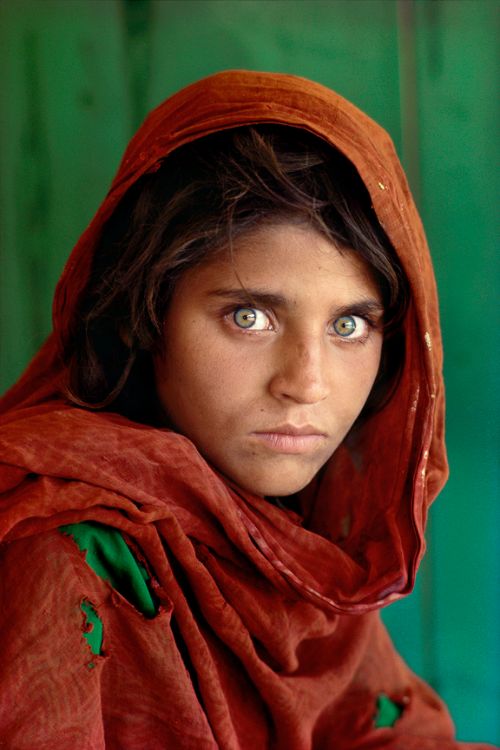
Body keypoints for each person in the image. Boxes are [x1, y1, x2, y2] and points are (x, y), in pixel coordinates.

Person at [0, 70, 493, 749]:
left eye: (349, 327)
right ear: (145, 315)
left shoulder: (292, 546)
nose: (307, 384)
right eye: (249, 315)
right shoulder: (63, 551)